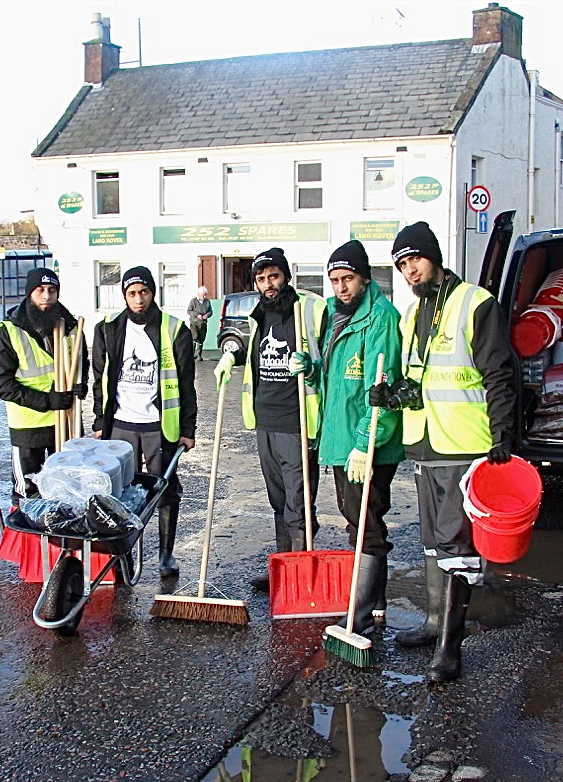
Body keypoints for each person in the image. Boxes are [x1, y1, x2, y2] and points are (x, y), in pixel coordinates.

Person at [370, 221, 515, 682]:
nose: (411, 270)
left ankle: (450, 648)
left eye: (416, 259)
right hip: (425, 441)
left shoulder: (475, 303)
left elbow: (499, 374)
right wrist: (392, 395)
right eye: (402, 264)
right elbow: (421, 381)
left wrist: (503, 436)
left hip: (467, 444)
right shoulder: (414, 315)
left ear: (434, 257)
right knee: (433, 542)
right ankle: (435, 624)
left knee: (457, 545)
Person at [290, 240, 404, 634]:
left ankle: (360, 616)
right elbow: (338, 379)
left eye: (348, 279)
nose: (340, 288)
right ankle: (376, 604)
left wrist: (365, 440)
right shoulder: (338, 317)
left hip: (367, 442)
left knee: (365, 526)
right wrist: (311, 368)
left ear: (365, 278)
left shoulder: (380, 319)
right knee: (357, 520)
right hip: (340, 439)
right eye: (334, 280)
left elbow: (382, 386)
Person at [214, 247, 328, 591]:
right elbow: (252, 353)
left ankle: (301, 573)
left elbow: (330, 357)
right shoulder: (258, 314)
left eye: (273, 276)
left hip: (297, 420)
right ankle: (283, 568)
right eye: (261, 279)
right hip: (265, 417)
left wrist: (312, 366)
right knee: (277, 498)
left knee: (298, 499)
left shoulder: (309, 308)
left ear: (286, 276)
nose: (268, 284)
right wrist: (230, 354)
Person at [92, 266, 197, 578]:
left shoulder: (174, 329)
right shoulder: (108, 328)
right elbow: (100, 378)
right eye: (132, 293)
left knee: (165, 489)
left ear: (153, 293)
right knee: (118, 492)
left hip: (159, 427)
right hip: (121, 424)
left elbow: (187, 382)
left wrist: (188, 430)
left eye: (144, 292)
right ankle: (121, 555)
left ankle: (166, 554)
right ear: (125, 295)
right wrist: (100, 420)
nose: (138, 299)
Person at [0, 267, 87, 506]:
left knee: (65, 488)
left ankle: (60, 542)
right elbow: (2, 385)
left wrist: (80, 385)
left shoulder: (72, 327)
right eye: (40, 290)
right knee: (28, 493)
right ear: (29, 293)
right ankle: (29, 543)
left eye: (52, 290)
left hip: (65, 423)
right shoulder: (9, 330)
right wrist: (46, 401)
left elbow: (81, 362)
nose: (46, 296)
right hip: (29, 427)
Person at [186, 286, 213, 361]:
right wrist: (197, 315)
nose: (204, 296)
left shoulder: (207, 301)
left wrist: (207, 315)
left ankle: (198, 355)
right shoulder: (193, 301)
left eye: (205, 295)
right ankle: (191, 355)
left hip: (203, 323)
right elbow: (189, 311)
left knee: (201, 339)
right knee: (195, 337)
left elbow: (210, 311)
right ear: (199, 294)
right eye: (203, 294)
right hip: (194, 323)